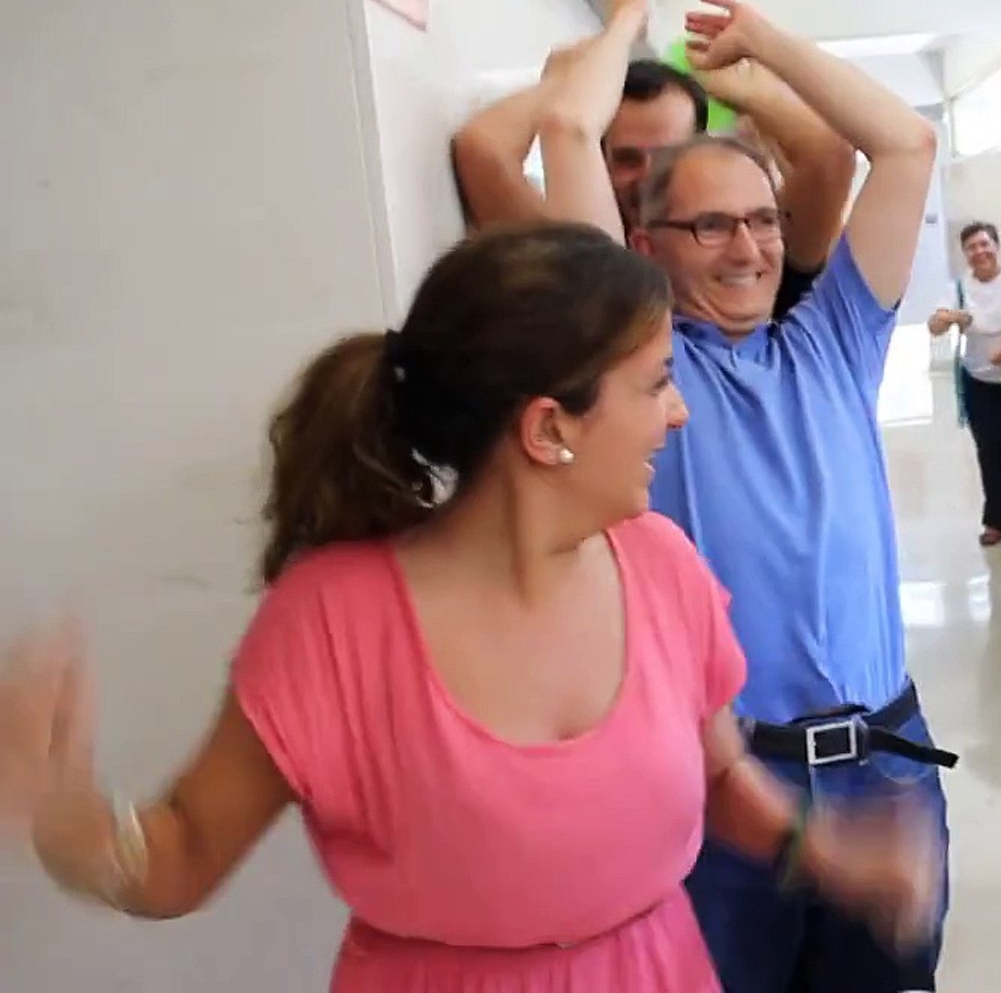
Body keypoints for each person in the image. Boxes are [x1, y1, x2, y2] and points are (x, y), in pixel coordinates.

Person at [0, 225, 937, 991]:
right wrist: (71, 826)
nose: (677, 412)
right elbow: (182, 856)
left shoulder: (663, 565)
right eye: (654, 384)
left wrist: (827, 851)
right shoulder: (334, 619)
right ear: (547, 428)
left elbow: (720, 774)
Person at [532, 0, 954, 993]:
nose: (751, 247)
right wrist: (627, 17)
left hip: (886, 766)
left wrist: (763, 50)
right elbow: (560, 130)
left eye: (763, 221)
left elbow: (904, 144)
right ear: (646, 246)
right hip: (724, 790)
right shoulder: (636, 368)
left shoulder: (835, 341)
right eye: (712, 226)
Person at [451, 0, 854, 320]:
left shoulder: (755, 252)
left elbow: (829, 155)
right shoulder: (568, 256)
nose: (646, 177)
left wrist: (743, 87)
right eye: (627, 159)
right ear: (596, 159)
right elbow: (483, 151)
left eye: (667, 156)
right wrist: (564, 82)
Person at [930, 221, 1001, 546]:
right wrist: (947, 319)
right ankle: (996, 523)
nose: (979, 252)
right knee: (992, 455)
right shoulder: (959, 288)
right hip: (981, 384)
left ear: (997, 246)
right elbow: (935, 324)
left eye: (984, 245)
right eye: (971, 248)